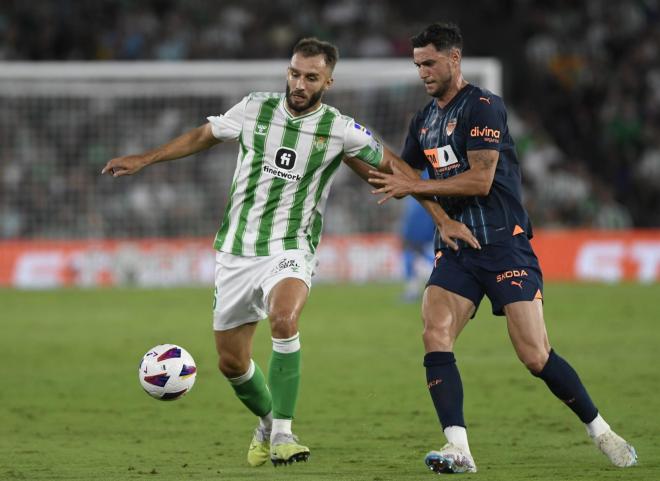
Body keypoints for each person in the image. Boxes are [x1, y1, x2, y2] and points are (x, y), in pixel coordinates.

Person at [102, 37, 478, 468]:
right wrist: (145, 159)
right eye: (295, 73)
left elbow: (395, 165)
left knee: (284, 318)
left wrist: (441, 218)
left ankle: (283, 432)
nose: (299, 83)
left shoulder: (339, 128)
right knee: (231, 362)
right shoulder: (254, 108)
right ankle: (265, 421)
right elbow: (205, 135)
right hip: (236, 251)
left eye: (311, 77)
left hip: (292, 246)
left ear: (328, 81)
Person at [367, 23, 637, 474]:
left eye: (430, 62)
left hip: (503, 246)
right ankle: (459, 449)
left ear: (454, 58)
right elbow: (405, 175)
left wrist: (414, 182)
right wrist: (439, 216)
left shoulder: (485, 107)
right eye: (417, 65)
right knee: (434, 333)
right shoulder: (424, 120)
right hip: (456, 249)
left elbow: (481, 178)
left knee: (534, 355)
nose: (423, 73)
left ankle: (601, 431)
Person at [399, 171, 436, 302]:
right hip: (419, 227)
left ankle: (416, 289)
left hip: (422, 228)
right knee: (417, 255)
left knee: (428, 257)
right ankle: (413, 289)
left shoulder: (421, 174)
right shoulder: (423, 174)